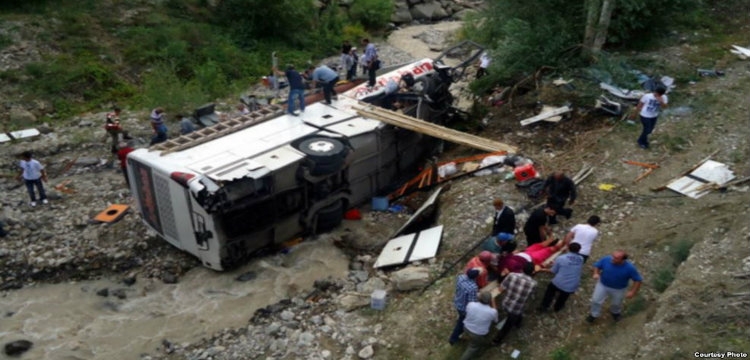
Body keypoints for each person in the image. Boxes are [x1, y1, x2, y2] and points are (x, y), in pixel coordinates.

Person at [587, 250, 643, 323]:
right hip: (602, 285)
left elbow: (638, 280)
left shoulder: (630, 268)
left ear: (623, 260)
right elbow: (597, 265)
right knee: (596, 300)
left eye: (616, 258)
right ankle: (593, 314)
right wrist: (596, 273)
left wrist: (632, 292)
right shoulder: (606, 259)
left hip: (619, 289)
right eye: (613, 256)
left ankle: (615, 312)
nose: (612, 259)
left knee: (616, 303)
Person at [492, 261, 537, 345]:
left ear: (522, 269)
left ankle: (516, 323)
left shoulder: (512, 275)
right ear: (533, 272)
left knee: (514, 315)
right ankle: (497, 340)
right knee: (508, 325)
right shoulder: (533, 284)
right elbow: (532, 297)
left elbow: (501, 289)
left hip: (505, 304)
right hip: (516, 309)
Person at [539, 242, 585, 312]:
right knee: (563, 297)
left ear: (569, 248)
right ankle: (557, 307)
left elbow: (553, 271)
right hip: (572, 285)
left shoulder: (561, 258)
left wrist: (542, 269)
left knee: (550, 291)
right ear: (579, 250)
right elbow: (569, 265)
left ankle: (544, 306)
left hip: (558, 283)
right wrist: (556, 263)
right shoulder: (581, 259)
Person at [460, 291, 498, 360]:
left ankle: (466, 337)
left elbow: (467, 312)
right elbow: (496, 321)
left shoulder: (471, 304)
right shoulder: (492, 312)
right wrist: (494, 303)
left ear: (480, 298)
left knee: (472, 338)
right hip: (477, 334)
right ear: (490, 301)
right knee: (473, 347)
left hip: (466, 327)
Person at [449, 268, 480, 346]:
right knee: (461, 323)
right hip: (464, 308)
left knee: (461, 318)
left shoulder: (461, 277)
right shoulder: (473, 287)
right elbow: (472, 302)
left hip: (458, 301)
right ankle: (453, 339)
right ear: (475, 277)